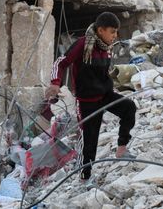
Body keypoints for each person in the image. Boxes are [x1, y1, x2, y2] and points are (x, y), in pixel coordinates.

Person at [45, 12, 137, 182]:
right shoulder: (82, 44)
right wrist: (55, 83)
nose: (115, 36)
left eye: (116, 32)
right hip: (87, 102)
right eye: (112, 31)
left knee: (129, 108)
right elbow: (61, 62)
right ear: (101, 30)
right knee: (89, 141)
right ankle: (84, 177)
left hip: (105, 95)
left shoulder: (106, 48)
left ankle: (122, 149)